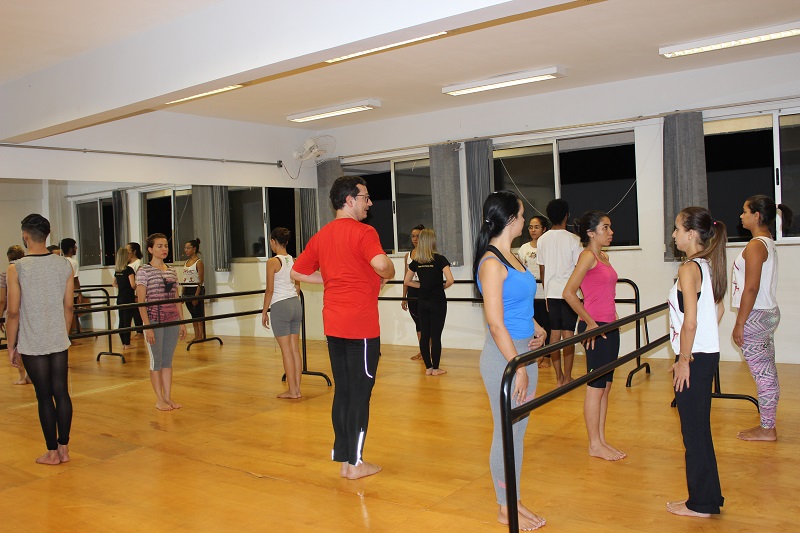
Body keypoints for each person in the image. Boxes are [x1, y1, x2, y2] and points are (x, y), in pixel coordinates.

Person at [291, 176, 395, 480]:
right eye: (365, 197)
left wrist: (331, 278)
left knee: (345, 392)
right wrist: (389, 268)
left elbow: (297, 271)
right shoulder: (364, 232)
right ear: (349, 200)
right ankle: (356, 464)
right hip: (361, 329)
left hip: (333, 326)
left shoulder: (322, 235)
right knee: (360, 395)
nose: (369, 203)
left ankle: (344, 459)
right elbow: (382, 265)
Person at [474, 191, 547, 531]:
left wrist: (538, 328)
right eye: (521, 213)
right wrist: (516, 364)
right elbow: (495, 321)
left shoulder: (514, 256)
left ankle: (514, 499)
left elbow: (517, 305)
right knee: (506, 433)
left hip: (523, 352)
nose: (524, 218)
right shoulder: (491, 263)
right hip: (505, 358)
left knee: (517, 433)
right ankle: (505, 507)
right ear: (509, 219)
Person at [667, 206, 727, 518]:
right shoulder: (709, 264)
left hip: (695, 358)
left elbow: (690, 322)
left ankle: (700, 504)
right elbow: (716, 312)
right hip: (705, 355)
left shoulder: (689, 269)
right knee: (699, 430)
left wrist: (684, 359)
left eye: (677, 229)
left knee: (693, 432)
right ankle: (707, 497)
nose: (674, 234)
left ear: (691, 234)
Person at [6, 214, 74, 465]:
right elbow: (69, 307)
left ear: (25, 236)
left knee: (44, 396)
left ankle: (52, 453)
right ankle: (64, 448)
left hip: (32, 340)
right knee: (62, 393)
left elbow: (13, 312)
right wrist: (62, 334)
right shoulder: (63, 264)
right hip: (58, 338)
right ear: (47, 235)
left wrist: (11, 346)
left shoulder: (17, 268)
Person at [563, 211, 625, 461]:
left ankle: (600, 440)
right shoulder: (588, 256)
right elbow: (569, 292)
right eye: (605, 228)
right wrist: (589, 322)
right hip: (595, 328)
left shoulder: (604, 257)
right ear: (590, 233)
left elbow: (601, 293)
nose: (611, 232)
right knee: (595, 386)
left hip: (608, 325)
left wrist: (613, 315)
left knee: (606, 386)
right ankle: (593, 444)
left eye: (610, 227)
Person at [731, 196, 792, 441]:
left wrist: (740, 323)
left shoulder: (756, 245)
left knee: (763, 373)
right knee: (766, 372)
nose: (741, 216)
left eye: (745, 211)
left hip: (756, 316)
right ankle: (768, 424)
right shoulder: (765, 242)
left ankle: (767, 429)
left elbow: (751, 288)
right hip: (764, 314)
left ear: (757, 216)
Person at [136, 233, 187, 411]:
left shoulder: (172, 270)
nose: (164, 249)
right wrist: (147, 326)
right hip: (154, 320)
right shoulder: (144, 271)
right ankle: (159, 399)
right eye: (159, 246)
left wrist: (182, 321)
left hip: (171, 318)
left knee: (167, 360)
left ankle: (168, 397)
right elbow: (141, 301)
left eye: (165, 245)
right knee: (156, 361)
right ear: (150, 249)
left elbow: (176, 297)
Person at [536, 199, 581, 387]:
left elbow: (542, 270)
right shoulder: (573, 239)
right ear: (566, 216)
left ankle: (559, 377)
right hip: (569, 293)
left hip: (552, 292)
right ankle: (568, 377)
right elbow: (580, 269)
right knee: (568, 334)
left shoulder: (542, 239)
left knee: (554, 333)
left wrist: (547, 293)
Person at [404, 229, 454, 375]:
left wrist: (422, 286)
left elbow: (407, 281)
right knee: (436, 336)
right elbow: (450, 280)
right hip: (438, 302)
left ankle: (428, 368)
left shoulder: (416, 261)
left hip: (422, 302)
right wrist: (441, 287)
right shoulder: (440, 259)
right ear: (432, 241)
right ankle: (436, 368)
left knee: (424, 335)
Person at [262, 227, 303, 399]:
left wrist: (264, 311)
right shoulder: (294, 259)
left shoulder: (272, 262)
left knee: (286, 350)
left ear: (273, 241)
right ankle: (297, 390)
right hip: (295, 304)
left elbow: (270, 290)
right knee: (295, 349)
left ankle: (292, 391)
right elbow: (298, 285)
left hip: (281, 306)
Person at [517, 215, 552, 368]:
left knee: (547, 325)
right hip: (529, 294)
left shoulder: (547, 246)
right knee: (533, 326)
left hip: (545, 292)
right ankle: (534, 355)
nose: (533, 230)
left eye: (536, 227)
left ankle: (548, 356)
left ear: (544, 229)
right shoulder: (524, 248)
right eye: (530, 227)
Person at [1, 245, 30, 384]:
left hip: (14, 313)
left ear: (8, 257)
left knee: (17, 345)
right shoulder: (29, 272)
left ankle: (21, 376)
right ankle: (31, 375)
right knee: (28, 345)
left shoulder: (5, 275)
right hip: (28, 313)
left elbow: (2, 299)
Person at [402, 224, 425, 361]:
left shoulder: (427, 254)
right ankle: (422, 351)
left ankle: (428, 351)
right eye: (413, 236)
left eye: (418, 236)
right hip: (412, 292)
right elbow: (405, 277)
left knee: (426, 322)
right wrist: (403, 297)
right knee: (418, 322)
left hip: (424, 291)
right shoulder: (408, 255)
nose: (415, 239)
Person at [111, 247, 136, 350]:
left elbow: (113, 283)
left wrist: (121, 287)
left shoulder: (117, 270)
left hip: (120, 297)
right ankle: (127, 343)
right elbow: (133, 285)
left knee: (122, 320)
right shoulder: (129, 270)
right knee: (127, 321)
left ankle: (123, 343)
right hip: (128, 298)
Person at [181, 238, 205, 342]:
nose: (186, 250)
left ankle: (201, 335)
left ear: (194, 249)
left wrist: (196, 295)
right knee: (193, 314)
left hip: (196, 290)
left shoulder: (199, 262)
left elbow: (200, 281)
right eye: (185, 248)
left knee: (199, 314)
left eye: (188, 248)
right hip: (187, 289)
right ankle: (196, 335)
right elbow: (184, 278)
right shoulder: (186, 262)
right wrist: (182, 293)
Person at [60, 238, 83, 334]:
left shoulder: (60, 261)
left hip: (61, 291)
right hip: (71, 292)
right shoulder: (73, 262)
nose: (76, 248)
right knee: (70, 313)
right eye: (74, 247)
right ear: (70, 248)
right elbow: (75, 279)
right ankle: (68, 336)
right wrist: (79, 293)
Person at [127, 242, 145, 337]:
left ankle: (140, 331)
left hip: (135, 289)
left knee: (137, 311)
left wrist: (138, 293)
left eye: (128, 250)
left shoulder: (138, 263)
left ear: (134, 251)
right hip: (128, 291)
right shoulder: (127, 264)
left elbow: (139, 279)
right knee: (132, 311)